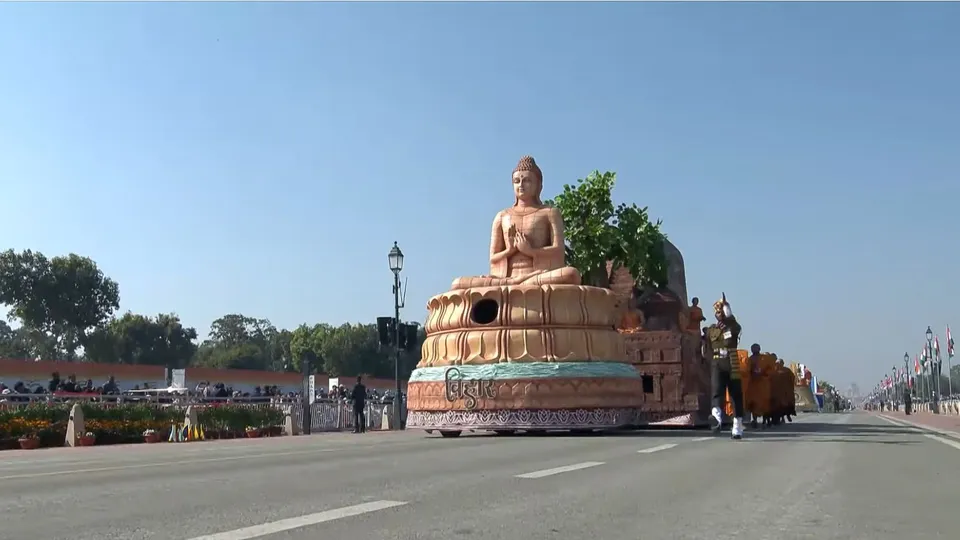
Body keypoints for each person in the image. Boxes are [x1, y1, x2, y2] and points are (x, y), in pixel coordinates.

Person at [704, 293, 745, 439]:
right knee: (716, 390)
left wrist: (728, 309)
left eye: (721, 311)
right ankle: (716, 418)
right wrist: (710, 362)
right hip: (717, 362)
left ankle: (737, 426)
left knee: (735, 395)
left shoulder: (733, 327)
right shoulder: (711, 330)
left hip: (731, 361)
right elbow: (708, 348)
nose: (719, 314)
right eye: (717, 312)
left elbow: (735, 326)